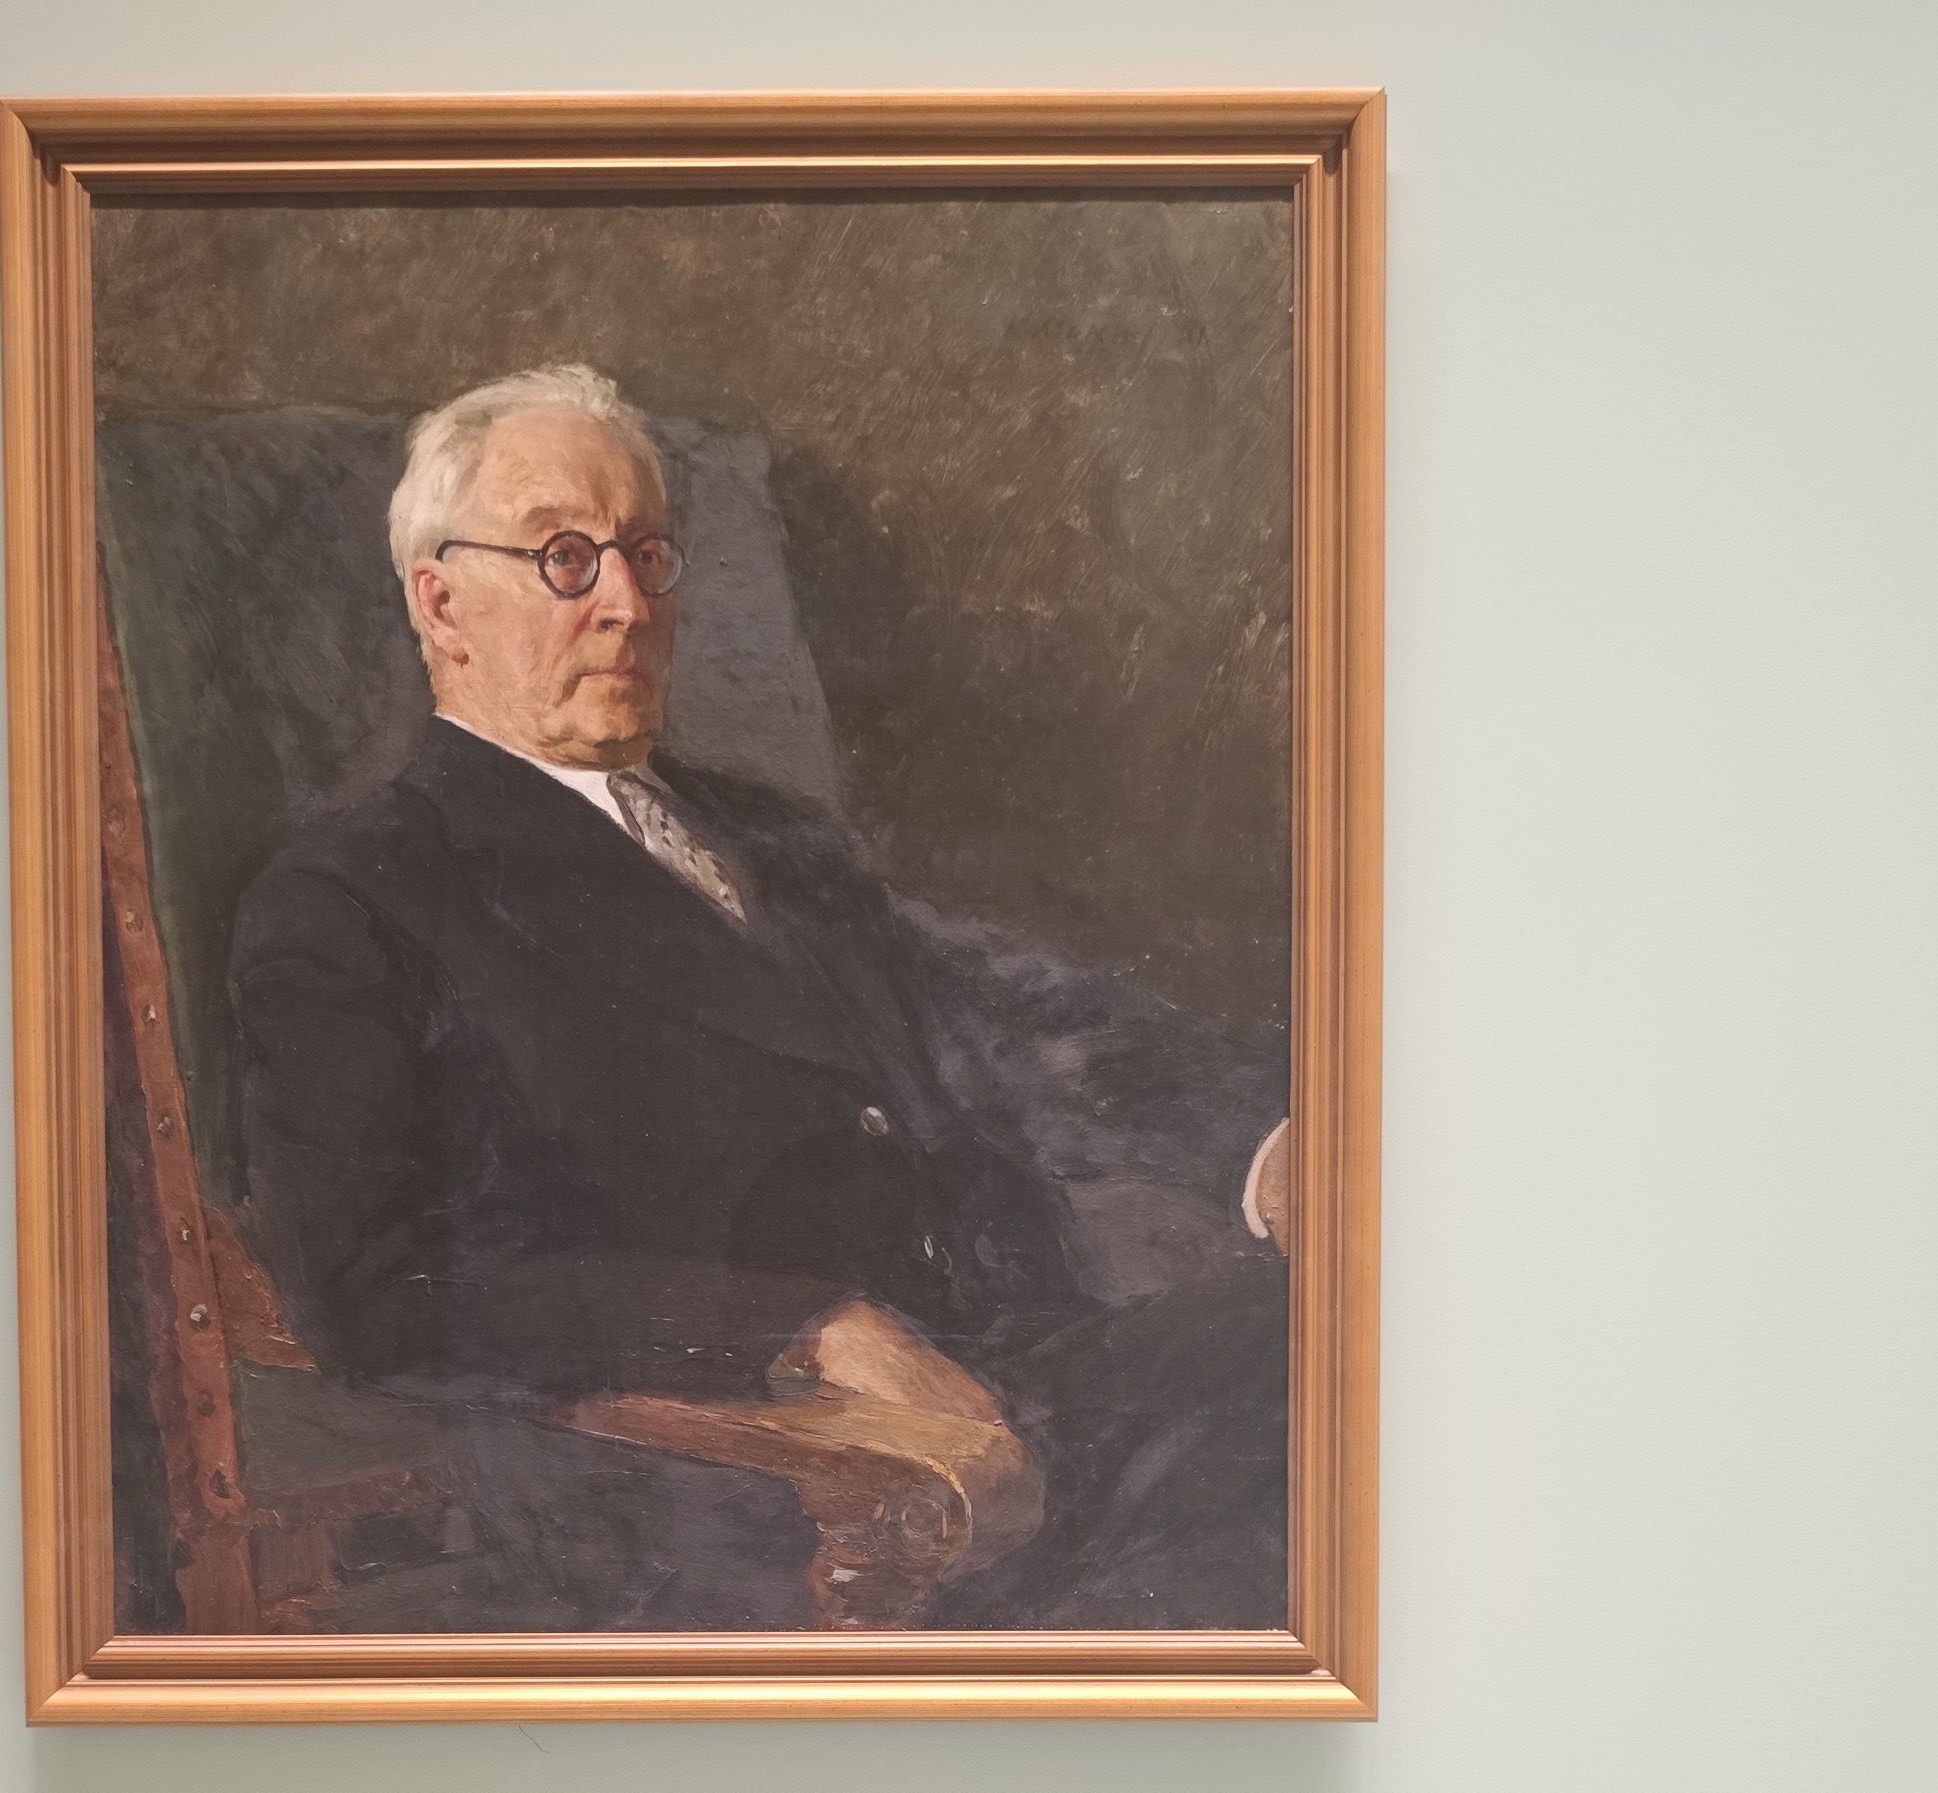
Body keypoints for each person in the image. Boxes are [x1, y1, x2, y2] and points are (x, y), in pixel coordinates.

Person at [224, 363, 1293, 1629]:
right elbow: (377, 1289)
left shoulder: (762, 832)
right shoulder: (359, 893)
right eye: (565, 559)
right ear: (441, 602)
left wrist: (1262, 1145)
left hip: (1022, 1388)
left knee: (1362, 1322)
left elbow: (1007, 1011)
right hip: (737, 1480)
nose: (627, 606)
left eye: (647, 555)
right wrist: (800, 1330)